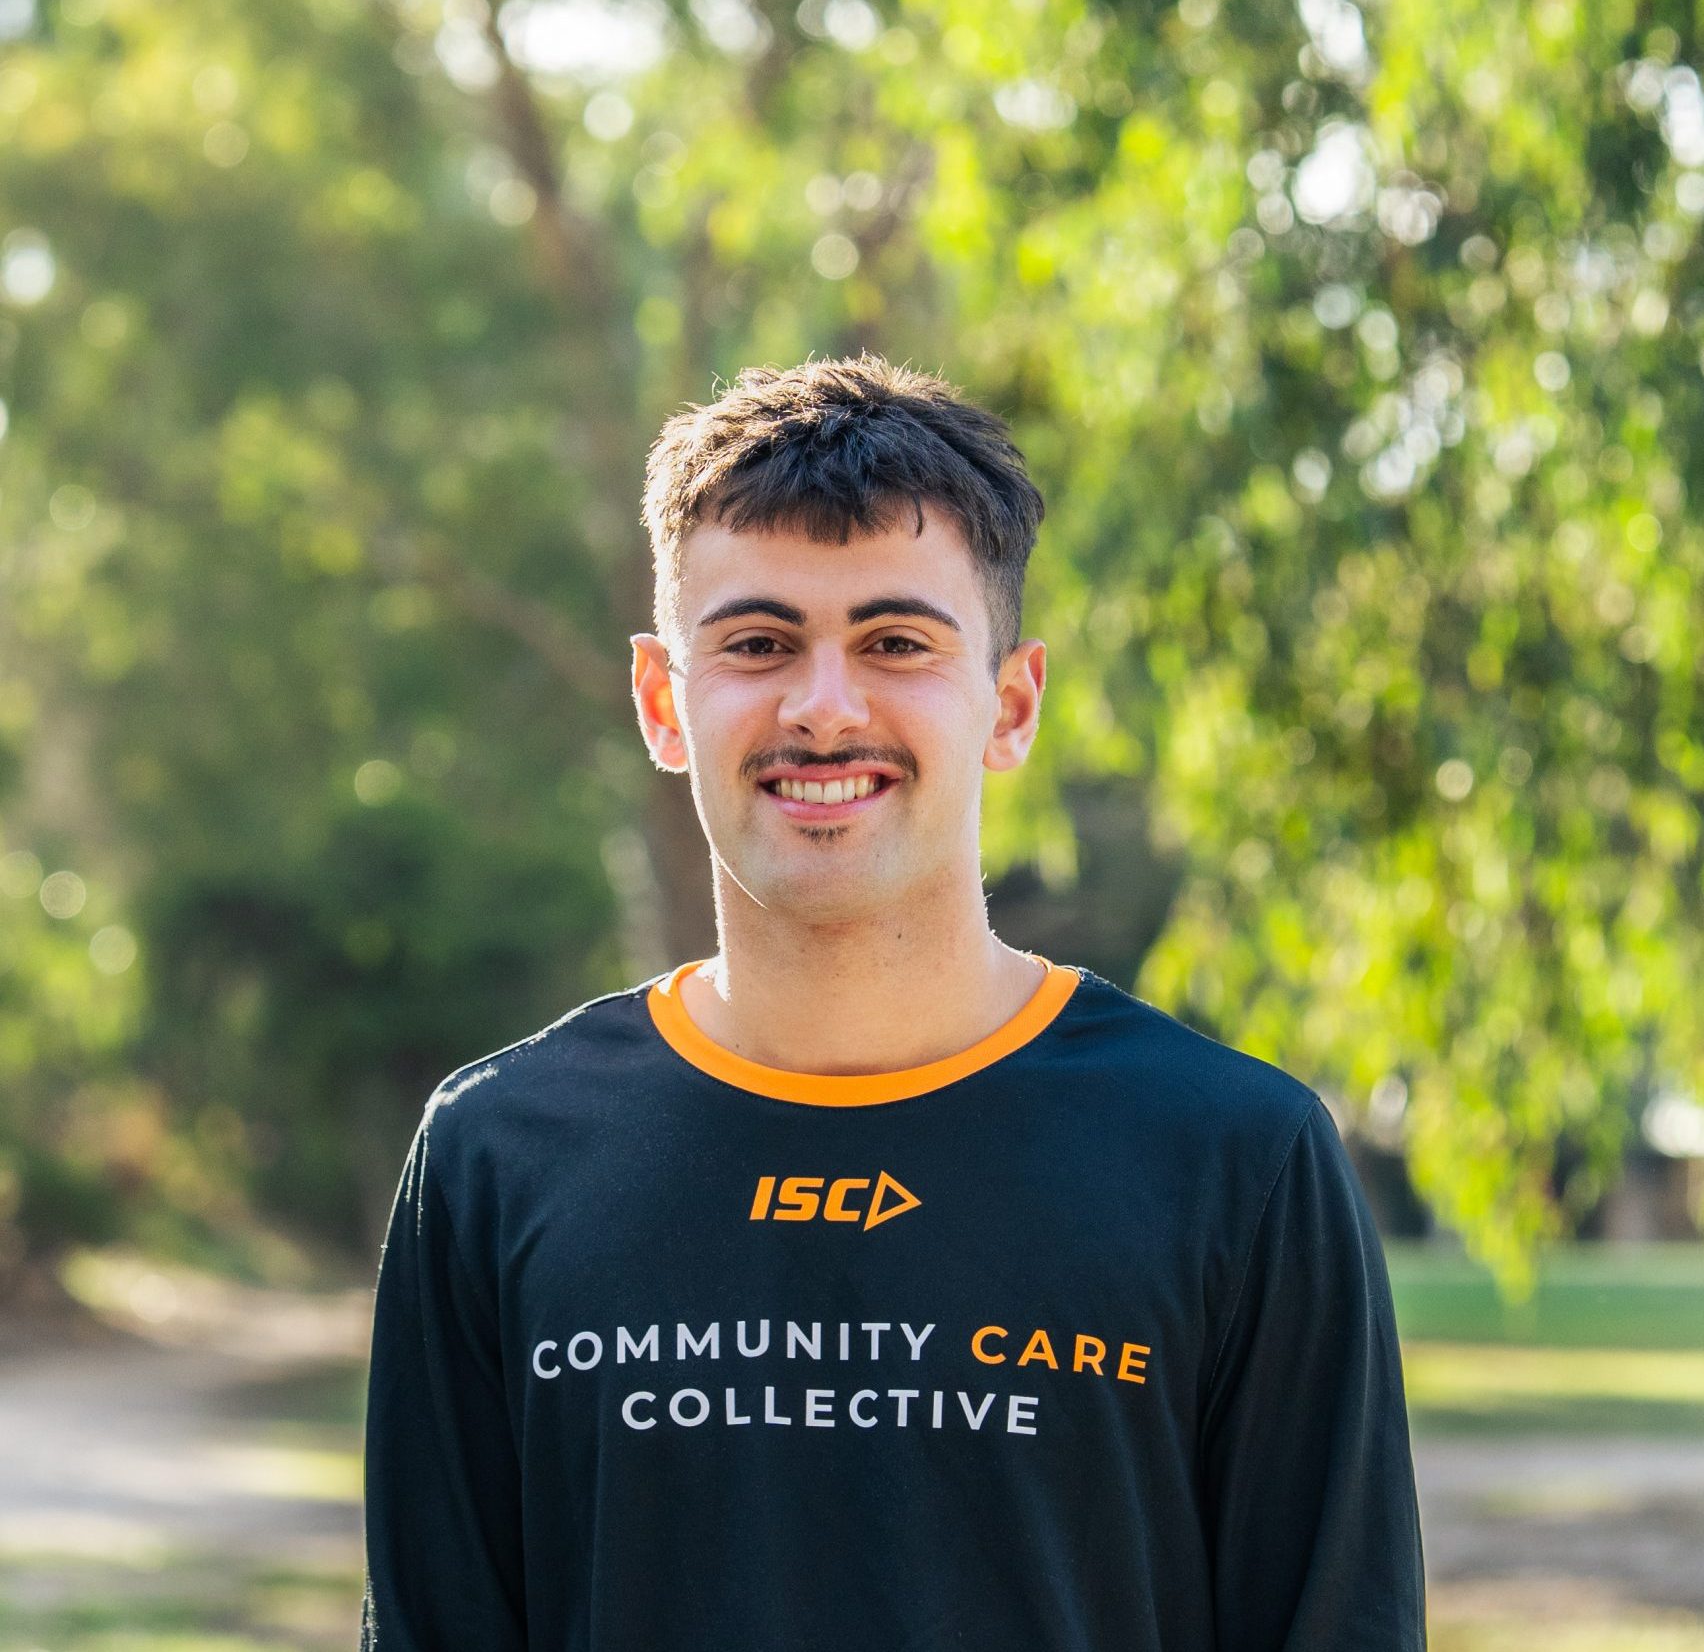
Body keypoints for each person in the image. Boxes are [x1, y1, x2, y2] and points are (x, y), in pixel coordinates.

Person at [359, 353, 1427, 1650]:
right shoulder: (493, 1158)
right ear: (662, 700)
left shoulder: (1235, 1162)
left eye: (895, 641)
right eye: (756, 643)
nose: (823, 705)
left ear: (1011, 701)